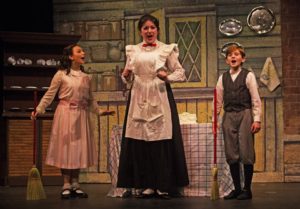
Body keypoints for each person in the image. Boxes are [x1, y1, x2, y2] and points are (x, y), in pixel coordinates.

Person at [116, 14, 189, 199]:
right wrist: (125, 75)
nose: (149, 31)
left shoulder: (166, 49)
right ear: (140, 31)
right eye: (145, 28)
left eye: (152, 28)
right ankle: (146, 184)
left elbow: (180, 73)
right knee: (141, 140)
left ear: (157, 30)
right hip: (139, 95)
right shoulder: (133, 50)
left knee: (161, 140)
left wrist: (167, 77)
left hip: (159, 93)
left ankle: (163, 185)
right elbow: (128, 77)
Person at [31, 44, 114, 199]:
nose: (83, 53)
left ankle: (76, 183)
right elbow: (50, 94)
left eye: (83, 51)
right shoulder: (61, 75)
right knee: (66, 148)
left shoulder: (86, 77)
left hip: (81, 115)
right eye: (79, 51)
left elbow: (90, 100)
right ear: (70, 57)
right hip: (66, 113)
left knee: (78, 149)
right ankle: (66, 184)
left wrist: (100, 112)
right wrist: (39, 109)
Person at [214, 44, 262, 200]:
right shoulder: (223, 78)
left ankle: (247, 189)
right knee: (231, 153)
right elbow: (217, 100)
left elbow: (255, 99)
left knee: (246, 152)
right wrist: (215, 119)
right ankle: (236, 188)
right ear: (227, 60)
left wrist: (257, 119)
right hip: (228, 116)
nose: (233, 57)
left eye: (236, 54)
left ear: (243, 59)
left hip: (245, 114)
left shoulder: (248, 75)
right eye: (230, 55)